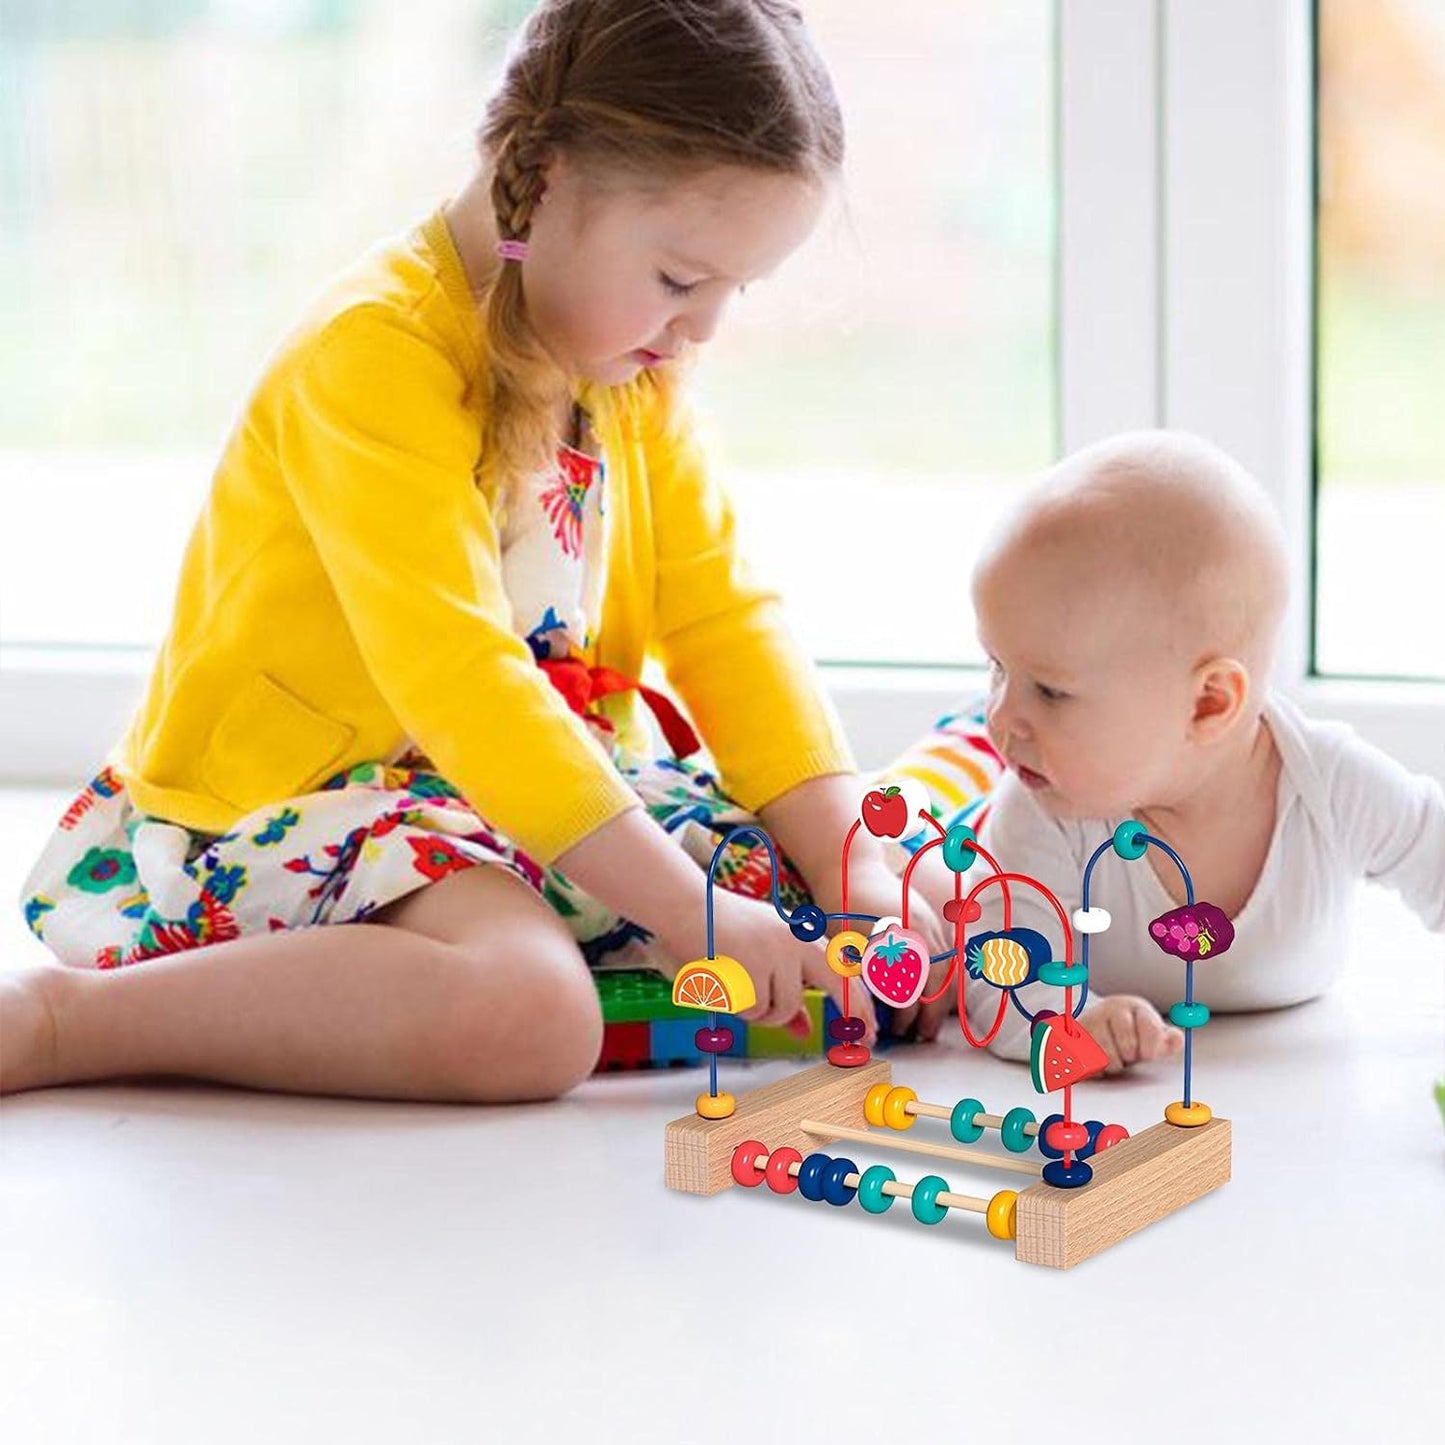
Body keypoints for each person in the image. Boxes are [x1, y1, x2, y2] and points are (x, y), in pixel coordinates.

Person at [8, 0, 982, 1101]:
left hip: (528, 793)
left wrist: (846, 850)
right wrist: (686, 909)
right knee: (528, 1012)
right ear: (551, 177)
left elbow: (722, 617)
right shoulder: (370, 355)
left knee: (863, 942)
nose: (702, 328)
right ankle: (64, 1023)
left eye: (732, 292)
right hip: (323, 797)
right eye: (678, 280)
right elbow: (461, 681)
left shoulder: (628, 367)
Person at [900, 430, 1445, 1071]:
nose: (1007, 713)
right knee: (920, 871)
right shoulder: (1042, 802)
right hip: (971, 820)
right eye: (996, 667)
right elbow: (1000, 976)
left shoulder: (1329, 786)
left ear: (1208, 703)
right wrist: (1071, 1023)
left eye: (1050, 690)